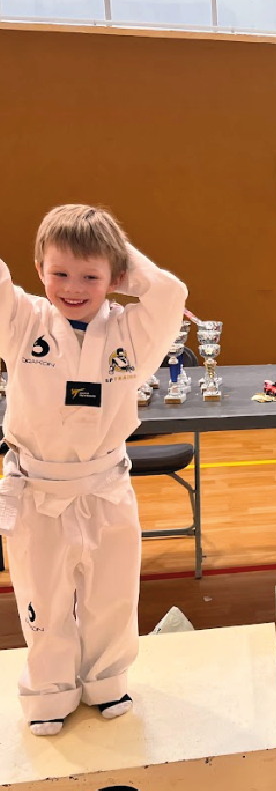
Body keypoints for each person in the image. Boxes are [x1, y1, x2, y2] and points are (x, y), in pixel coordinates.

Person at [0, 205, 187, 734]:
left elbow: (171, 294)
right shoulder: (21, 321)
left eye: (91, 275)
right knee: (44, 597)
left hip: (104, 486)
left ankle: (107, 679)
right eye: (60, 273)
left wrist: (122, 257)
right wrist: (100, 258)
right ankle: (49, 692)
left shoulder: (131, 331)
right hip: (37, 488)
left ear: (116, 276)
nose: (73, 287)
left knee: (111, 593)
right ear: (39, 269)